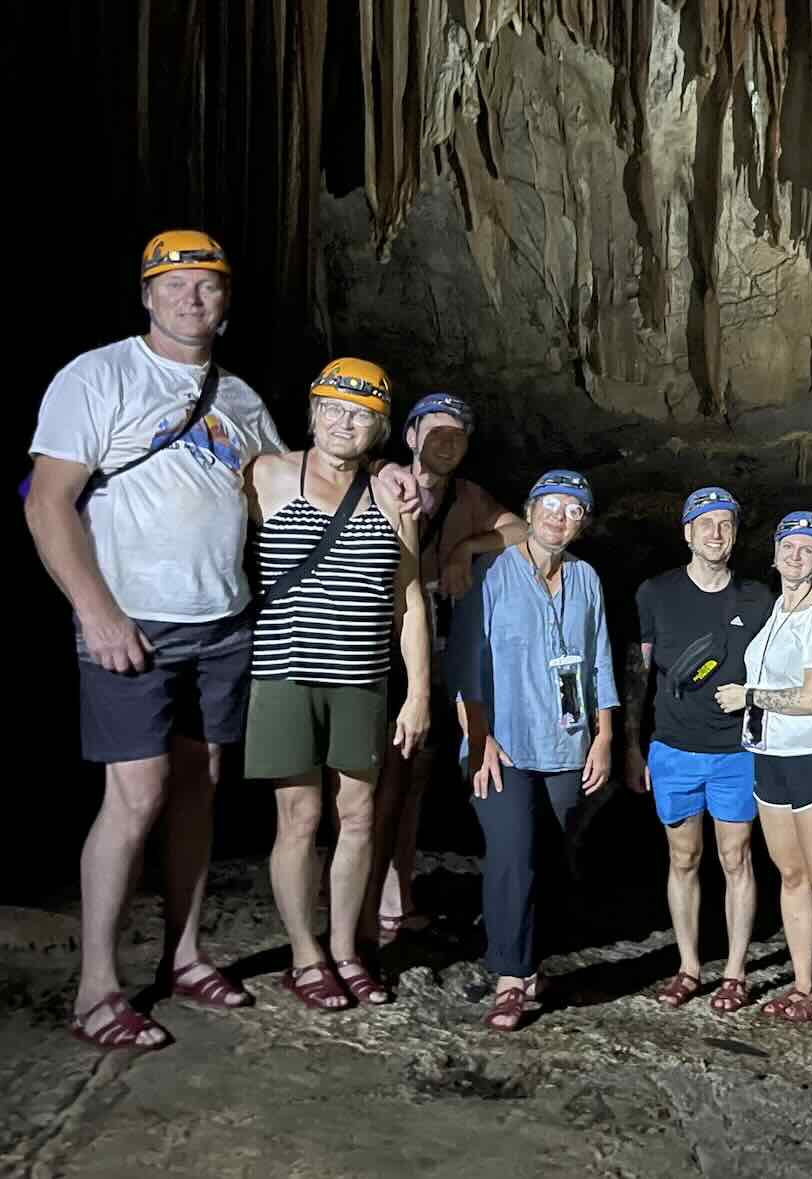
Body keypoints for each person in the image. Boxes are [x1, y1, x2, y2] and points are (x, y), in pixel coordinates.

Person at [27, 232, 285, 1048]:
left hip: (222, 622)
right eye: (172, 283)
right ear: (146, 295)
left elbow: (290, 488)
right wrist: (96, 611)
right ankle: (98, 986)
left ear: (226, 299)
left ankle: (184, 953)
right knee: (134, 795)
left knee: (199, 786)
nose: (189, 297)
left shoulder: (241, 400)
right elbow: (46, 502)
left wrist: (383, 477)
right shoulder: (96, 376)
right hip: (131, 620)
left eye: (205, 284)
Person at [244, 357, 430, 1012]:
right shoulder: (267, 474)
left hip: (362, 678)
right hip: (286, 676)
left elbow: (408, 599)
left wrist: (418, 692)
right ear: (312, 411)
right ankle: (304, 955)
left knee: (357, 816)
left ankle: (347, 949)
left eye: (358, 412)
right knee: (299, 815)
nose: (341, 421)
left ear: (377, 427)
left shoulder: (392, 496)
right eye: (331, 407)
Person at [451, 470, 616, 1031]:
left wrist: (605, 736)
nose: (560, 516)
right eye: (551, 504)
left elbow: (599, 661)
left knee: (550, 860)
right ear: (530, 510)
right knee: (512, 855)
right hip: (501, 744)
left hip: (567, 744)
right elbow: (465, 663)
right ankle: (508, 978)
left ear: (583, 522)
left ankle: (534, 962)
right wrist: (480, 740)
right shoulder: (491, 572)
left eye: (573, 509)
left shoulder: (588, 579)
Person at [370, 392, 525, 945]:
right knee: (371, 779)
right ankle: (357, 891)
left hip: (429, 652)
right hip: (370, 649)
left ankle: (397, 890)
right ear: (410, 436)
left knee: (412, 777)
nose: (446, 442)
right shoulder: (379, 481)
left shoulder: (466, 496)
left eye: (457, 435)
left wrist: (464, 548)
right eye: (434, 431)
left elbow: (522, 531)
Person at [626, 487, 774, 1012]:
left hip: (737, 750)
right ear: (687, 533)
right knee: (683, 857)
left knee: (737, 858)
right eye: (705, 523)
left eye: (726, 524)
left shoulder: (759, 599)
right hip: (674, 748)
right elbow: (639, 676)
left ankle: (734, 971)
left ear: (735, 534)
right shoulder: (655, 593)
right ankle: (688, 965)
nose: (716, 532)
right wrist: (631, 746)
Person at [716, 511, 812, 1022]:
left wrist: (749, 695)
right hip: (770, 756)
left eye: (808, 550)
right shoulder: (777, 610)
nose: (796, 556)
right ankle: (800, 983)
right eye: (789, 546)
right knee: (791, 875)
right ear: (775, 553)